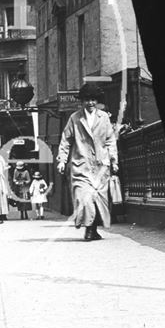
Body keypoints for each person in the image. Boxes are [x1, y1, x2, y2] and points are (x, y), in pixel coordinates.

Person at [57, 82, 118, 241]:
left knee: (98, 199)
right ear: (82, 101)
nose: (90, 103)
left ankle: (93, 229)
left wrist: (113, 159)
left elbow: (110, 140)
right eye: (87, 100)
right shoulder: (75, 118)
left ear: (97, 101)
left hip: (101, 166)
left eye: (93, 100)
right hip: (81, 164)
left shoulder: (103, 117)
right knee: (84, 197)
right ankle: (89, 230)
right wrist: (62, 160)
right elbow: (65, 141)